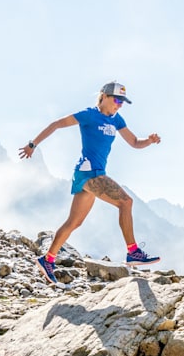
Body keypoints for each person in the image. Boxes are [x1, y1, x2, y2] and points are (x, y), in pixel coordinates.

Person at [19, 81, 162, 285]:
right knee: (125, 202)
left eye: (123, 102)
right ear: (103, 96)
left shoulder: (117, 119)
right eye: (117, 100)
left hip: (92, 175)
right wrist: (33, 144)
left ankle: (47, 260)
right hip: (89, 173)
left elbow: (134, 142)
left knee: (74, 222)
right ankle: (133, 252)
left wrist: (148, 140)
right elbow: (56, 124)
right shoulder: (88, 115)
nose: (119, 105)